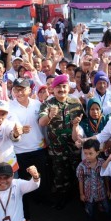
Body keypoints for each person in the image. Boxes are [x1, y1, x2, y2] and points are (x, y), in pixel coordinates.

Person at [38, 74, 84, 209]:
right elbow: (41, 122)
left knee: (77, 172)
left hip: (74, 146)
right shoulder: (48, 104)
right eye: (58, 87)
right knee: (60, 174)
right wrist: (49, 115)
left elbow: (82, 121)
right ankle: (62, 198)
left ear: (68, 87)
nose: (61, 89)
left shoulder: (76, 102)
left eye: (64, 86)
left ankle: (79, 197)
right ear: (53, 89)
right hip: (56, 148)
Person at [76, 139, 111, 221]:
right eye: (85, 153)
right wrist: (81, 194)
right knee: (90, 210)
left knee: (107, 208)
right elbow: (80, 180)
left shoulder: (102, 162)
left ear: (97, 152)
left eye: (90, 153)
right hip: (88, 194)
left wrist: (108, 190)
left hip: (101, 192)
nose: (88, 156)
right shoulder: (82, 166)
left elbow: (105, 177)